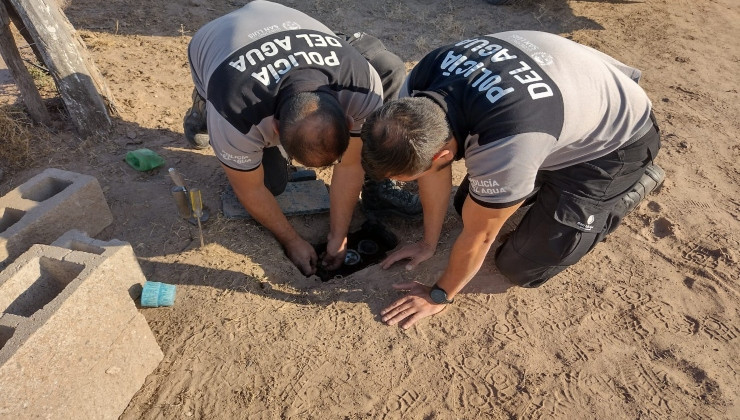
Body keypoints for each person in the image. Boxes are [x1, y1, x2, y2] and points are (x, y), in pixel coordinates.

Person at [360, 31, 665, 329]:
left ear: (440, 156)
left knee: (521, 266)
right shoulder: (413, 95)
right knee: (466, 203)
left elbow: (481, 237)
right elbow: (435, 171)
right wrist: (428, 243)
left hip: (615, 142)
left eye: (411, 177)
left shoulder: (506, 143)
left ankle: (629, 186)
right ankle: (541, 182)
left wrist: (440, 295)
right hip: (558, 116)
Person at [183, 1, 420, 276]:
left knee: (387, 65)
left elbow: (350, 165)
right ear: (275, 128)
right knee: (271, 184)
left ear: (348, 119)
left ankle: (377, 190)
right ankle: (202, 102)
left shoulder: (361, 83)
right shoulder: (234, 115)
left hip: (277, 18)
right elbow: (250, 189)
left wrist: (338, 235)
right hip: (215, 44)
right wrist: (291, 240)